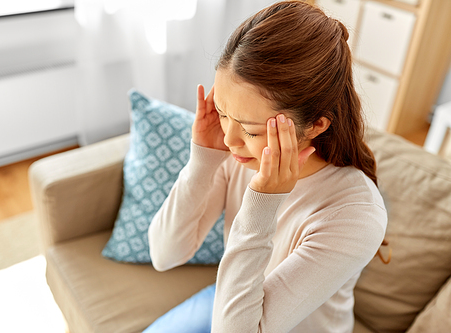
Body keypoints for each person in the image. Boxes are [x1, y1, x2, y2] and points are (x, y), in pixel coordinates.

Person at [145, 1, 387, 332]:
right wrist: (202, 160)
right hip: (231, 300)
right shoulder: (237, 155)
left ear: (315, 125)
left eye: (251, 129)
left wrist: (262, 204)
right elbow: (164, 254)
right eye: (223, 112)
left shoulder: (355, 213)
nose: (229, 140)